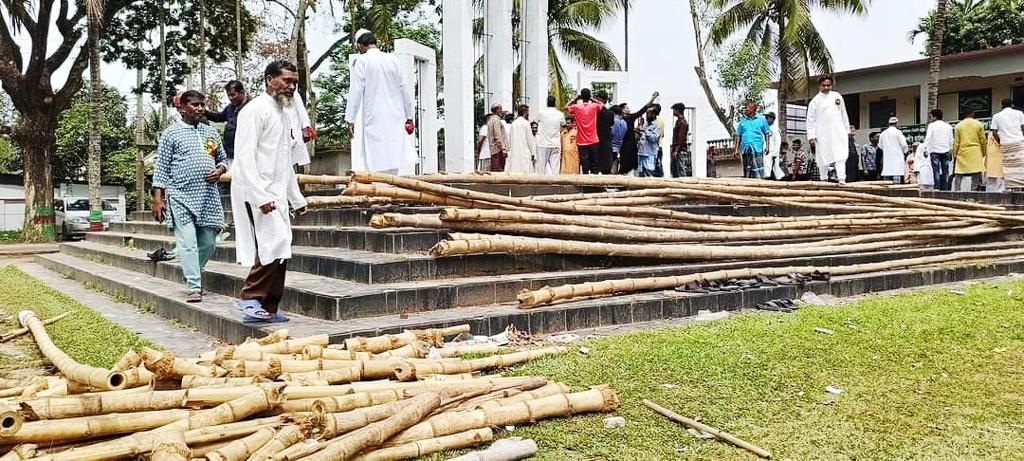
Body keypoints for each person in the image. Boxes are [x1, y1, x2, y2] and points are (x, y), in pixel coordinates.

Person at [232, 60, 308, 323]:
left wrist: (296, 198)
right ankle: (250, 298)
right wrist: (260, 196)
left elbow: (285, 162)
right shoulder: (254, 111)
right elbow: (244, 157)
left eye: (294, 83)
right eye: (286, 81)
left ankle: (269, 307)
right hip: (257, 189)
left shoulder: (285, 113)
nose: (291, 87)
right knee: (273, 242)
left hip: (276, 190)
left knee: (282, 245)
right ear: (268, 80)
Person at [152, 90, 228, 303]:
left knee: (208, 243)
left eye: (203, 104)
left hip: (208, 196)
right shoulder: (171, 133)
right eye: (195, 104)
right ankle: (194, 285)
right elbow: (161, 169)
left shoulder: (211, 134)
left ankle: (191, 271)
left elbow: (223, 159)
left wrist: (220, 170)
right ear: (182, 108)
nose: (200, 108)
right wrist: (158, 199)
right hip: (180, 195)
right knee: (187, 243)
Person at [344, 30, 415, 174]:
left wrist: (350, 119)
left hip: (374, 117)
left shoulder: (362, 61)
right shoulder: (393, 59)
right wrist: (409, 116)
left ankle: (382, 190)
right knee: (393, 155)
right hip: (396, 116)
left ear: (359, 46)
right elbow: (404, 88)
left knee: (375, 158)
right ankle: (392, 189)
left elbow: (356, 90)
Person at [806, 75, 852, 184]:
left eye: (828, 85)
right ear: (819, 86)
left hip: (838, 131)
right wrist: (811, 135)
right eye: (824, 85)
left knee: (840, 154)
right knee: (822, 156)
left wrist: (847, 130)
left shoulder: (837, 97)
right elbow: (810, 119)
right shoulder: (815, 101)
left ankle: (841, 178)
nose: (826, 87)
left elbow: (843, 114)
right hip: (822, 133)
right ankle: (823, 178)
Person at [204, 81, 248, 162]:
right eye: (229, 95)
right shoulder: (230, 107)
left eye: (233, 95)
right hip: (230, 153)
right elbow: (219, 117)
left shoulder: (252, 107)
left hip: (246, 153)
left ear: (242, 92)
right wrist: (204, 112)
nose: (231, 98)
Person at [616, 93, 659, 175]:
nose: (629, 109)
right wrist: (653, 98)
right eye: (627, 108)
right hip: (629, 144)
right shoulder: (630, 118)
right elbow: (643, 109)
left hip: (623, 144)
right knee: (630, 164)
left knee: (625, 163)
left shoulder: (620, 119)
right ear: (622, 110)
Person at [566, 89, 603, 174]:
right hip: (593, 139)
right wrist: (592, 99)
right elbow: (602, 105)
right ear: (589, 96)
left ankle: (585, 183)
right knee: (595, 163)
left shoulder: (576, 107)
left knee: (584, 164)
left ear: (581, 97)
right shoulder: (594, 106)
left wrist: (574, 99)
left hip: (581, 141)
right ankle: (595, 182)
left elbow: (565, 107)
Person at [990, 98, 1024, 189]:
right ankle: (1021, 187)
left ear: (1002, 105)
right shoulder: (1019, 113)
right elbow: (1023, 127)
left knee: (1008, 167)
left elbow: (994, 132)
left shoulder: (996, 116)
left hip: (1005, 144)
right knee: (1021, 166)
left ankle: (1011, 187)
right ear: (1012, 105)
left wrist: (1000, 142)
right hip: (1019, 143)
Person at [951, 108, 987, 192]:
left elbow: (956, 142)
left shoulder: (958, 126)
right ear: (972, 113)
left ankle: (957, 190)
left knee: (959, 172)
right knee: (976, 172)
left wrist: (955, 153)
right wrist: (984, 152)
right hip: (975, 151)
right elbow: (983, 140)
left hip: (962, 151)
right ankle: (973, 191)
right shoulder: (978, 124)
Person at [733, 103, 771, 178]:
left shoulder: (761, 120)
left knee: (758, 169)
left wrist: (767, 147)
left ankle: (759, 185)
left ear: (753, 110)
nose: (745, 110)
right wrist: (736, 149)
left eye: (747, 109)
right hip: (745, 148)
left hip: (757, 148)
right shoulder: (742, 122)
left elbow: (767, 133)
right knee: (747, 170)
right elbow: (738, 136)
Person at [922, 108, 954, 190]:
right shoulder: (948, 126)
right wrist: (951, 150)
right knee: (945, 171)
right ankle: (945, 188)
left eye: (931, 117)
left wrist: (925, 149)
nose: (931, 119)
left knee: (936, 171)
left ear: (935, 117)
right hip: (946, 150)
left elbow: (928, 138)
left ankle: (937, 188)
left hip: (935, 151)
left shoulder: (931, 126)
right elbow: (951, 140)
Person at [535, 95, 564, 175]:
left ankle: (541, 184)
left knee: (541, 168)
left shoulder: (541, 113)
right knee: (555, 167)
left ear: (547, 103)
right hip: (555, 143)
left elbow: (535, 122)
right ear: (555, 103)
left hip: (543, 143)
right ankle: (555, 184)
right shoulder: (560, 114)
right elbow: (563, 124)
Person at [506, 104, 537, 174]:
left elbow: (510, 139)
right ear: (525, 112)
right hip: (524, 152)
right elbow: (530, 140)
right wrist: (533, 152)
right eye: (528, 112)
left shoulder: (513, 124)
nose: (528, 114)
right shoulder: (526, 123)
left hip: (514, 152)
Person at [879, 116, 909, 184]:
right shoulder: (898, 132)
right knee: (897, 176)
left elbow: (880, 146)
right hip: (897, 159)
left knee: (887, 181)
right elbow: (904, 145)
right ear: (896, 123)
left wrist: (887, 150)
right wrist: (905, 152)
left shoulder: (883, 134)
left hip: (887, 161)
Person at [594, 90, 615, 174]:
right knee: (606, 166)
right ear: (606, 100)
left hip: (594, 140)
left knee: (595, 166)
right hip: (606, 141)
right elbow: (611, 123)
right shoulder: (609, 113)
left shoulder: (593, 112)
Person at [637, 111, 661, 177]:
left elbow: (654, 139)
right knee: (641, 174)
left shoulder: (657, 126)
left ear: (654, 114)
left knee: (649, 174)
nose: (648, 115)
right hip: (641, 152)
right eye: (647, 113)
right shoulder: (645, 124)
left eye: (650, 113)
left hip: (649, 154)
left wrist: (645, 131)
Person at [485, 104, 509, 171]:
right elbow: (497, 135)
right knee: (499, 170)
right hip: (498, 150)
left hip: (494, 150)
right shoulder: (496, 120)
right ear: (497, 110)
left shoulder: (491, 120)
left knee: (495, 170)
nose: (502, 111)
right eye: (500, 109)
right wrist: (503, 148)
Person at [670, 103, 692, 177]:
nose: (673, 111)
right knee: (674, 171)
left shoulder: (683, 123)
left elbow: (681, 138)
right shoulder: (678, 122)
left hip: (680, 150)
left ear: (678, 110)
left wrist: (676, 150)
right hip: (676, 149)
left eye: (674, 110)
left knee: (681, 171)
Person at [763, 112, 784, 180]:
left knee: (775, 167)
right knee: (767, 167)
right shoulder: (765, 128)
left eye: (768, 118)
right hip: (766, 151)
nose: (766, 119)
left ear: (772, 119)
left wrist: (775, 153)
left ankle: (781, 179)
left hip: (773, 151)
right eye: (766, 118)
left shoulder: (775, 129)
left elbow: (778, 142)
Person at [610, 105, 627, 173]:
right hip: (619, 147)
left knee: (609, 170)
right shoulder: (624, 123)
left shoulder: (613, 121)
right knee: (615, 168)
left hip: (611, 147)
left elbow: (612, 133)